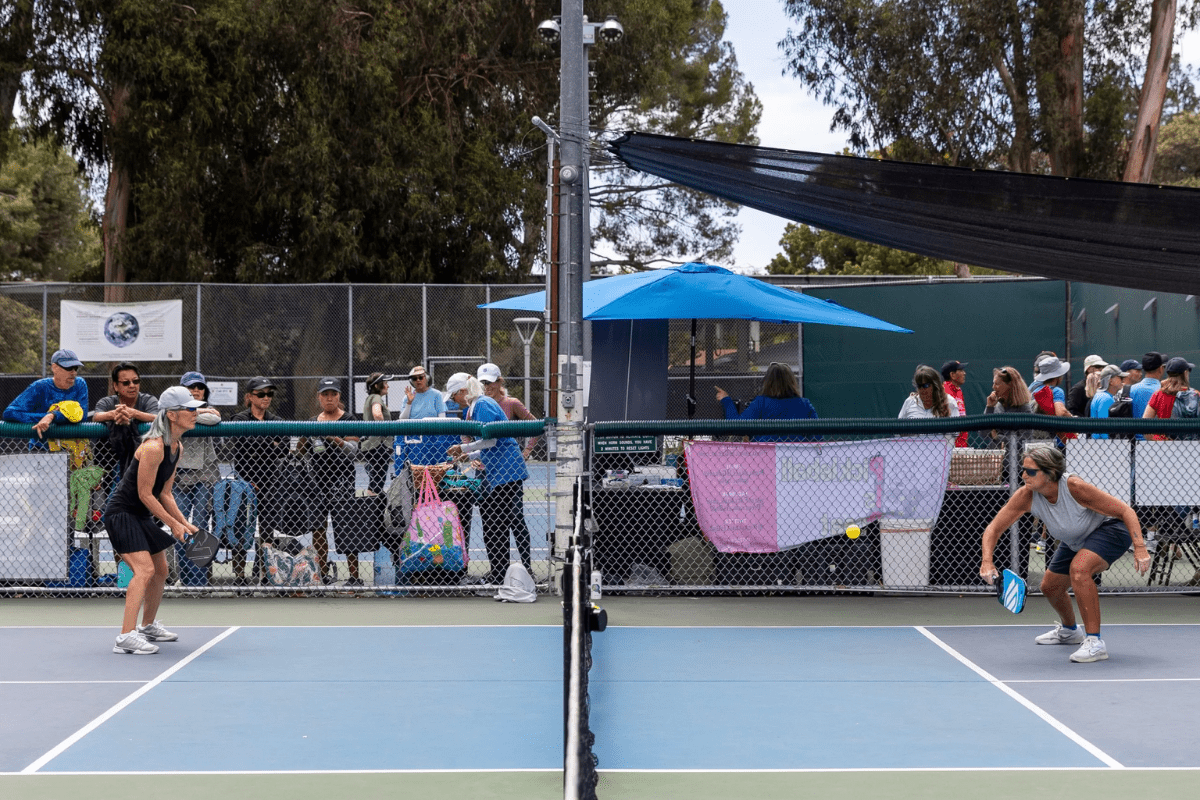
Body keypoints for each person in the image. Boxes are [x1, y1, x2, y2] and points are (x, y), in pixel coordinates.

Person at [979, 446, 1150, 663]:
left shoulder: (1075, 487)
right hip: (1075, 538)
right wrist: (987, 561)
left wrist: (1140, 547)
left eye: (1030, 471)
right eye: (1023, 470)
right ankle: (1070, 631)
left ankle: (1095, 643)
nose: (1023, 475)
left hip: (1110, 530)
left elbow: (1126, 510)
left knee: (1080, 569)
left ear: (1050, 472)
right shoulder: (1025, 496)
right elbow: (993, 528)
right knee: (1050, 587)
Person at [106, 386, 205, 654]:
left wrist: (185, 523)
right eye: (190, 409)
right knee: (145, 570)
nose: (195, 413)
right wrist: (173, 525)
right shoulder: (152, 448)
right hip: (121, 515)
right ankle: (126, 636)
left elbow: (165, 493)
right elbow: (145, 494)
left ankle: (147, 626)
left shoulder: (177, 446)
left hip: (139, 515)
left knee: (160, 569)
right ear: (172, 415)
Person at [446, 373, 532, 584]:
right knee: (494, 522)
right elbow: (487, 446)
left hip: (507, 473)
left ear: (462, 392)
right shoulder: (476, 407)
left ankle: (500, 572)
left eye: (453, 396)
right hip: (500, 473)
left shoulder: (482, 405)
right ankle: (499, 570)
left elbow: (490, 440)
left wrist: (463, 448)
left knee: (495, 522)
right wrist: (466, 453)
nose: (452, 401)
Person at [299, 378, 361, 584]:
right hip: (317, 484)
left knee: (347, 527)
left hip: (342, 482)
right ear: (319, 397)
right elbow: (301, 452)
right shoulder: (311, 422)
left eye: (333, 394)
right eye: (325, 394)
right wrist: (302, 439)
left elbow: (353, 452)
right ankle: (322, 573)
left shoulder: (349, 420)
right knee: (318, 528)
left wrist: (334, 438)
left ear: (339, 396)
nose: (329, 398)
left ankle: (354, 577)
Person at [229, 377, 286, 583]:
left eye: (269, 394)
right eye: (261, 394)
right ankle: (239, 575)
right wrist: (270, 443)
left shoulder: (277, 421)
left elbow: (284, 448)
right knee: (242, 529)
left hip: (270, 483)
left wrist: (257, 443)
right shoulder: (239, 420)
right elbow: (242, 448)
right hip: (245, 483)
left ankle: (264, 573)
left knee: (267, 531)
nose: (266, 398)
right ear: (250, 397)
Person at [170, 373, 222, 581]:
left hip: (204, 475)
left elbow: (215, 418)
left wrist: (191, 413)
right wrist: (189, 412)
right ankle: (186, 578)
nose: (196, 390)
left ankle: (199, 581)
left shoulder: (203, 410)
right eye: (191, 387)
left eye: (200, 387)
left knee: (200, 526)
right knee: (180, 526)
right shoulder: (173, 411)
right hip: (178, 474)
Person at [3, 349, 90, 448]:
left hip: (73, 450)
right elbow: (10, 413)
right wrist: (44, 417)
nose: (73, 373)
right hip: (42, 449)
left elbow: (81, 415)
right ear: (54, 368)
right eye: (69, 368)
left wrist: (52, 416)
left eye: (76, 368)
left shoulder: (80, 384)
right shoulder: (40, 387)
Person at [714, 362, 818, 441]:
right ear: (791, 382)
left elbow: (736, 427)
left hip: (765, 460)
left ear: (767, 382)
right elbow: (817, 437)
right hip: (795, 461)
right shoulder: (804, 404)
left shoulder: (761, 402)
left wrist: (726, 400)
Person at [91, 362, 160, 479]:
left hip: (144, 460)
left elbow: (157, 417)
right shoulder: (106, 402)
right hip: (111, 460)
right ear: (116, 386)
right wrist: (114, 414)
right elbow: (96, 416)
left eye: (135, 381)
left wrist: (134, 413)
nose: (132, 385)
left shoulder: (149, 400)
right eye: (126, 383)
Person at [478, 363, 541, 459]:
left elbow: (537, 426)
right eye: (484, 383)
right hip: (484, 461)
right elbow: (465, 433)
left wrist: (527, 451)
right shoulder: (477, 405)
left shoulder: (512, 403)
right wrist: (472, 456)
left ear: (500, 382)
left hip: (508, 461)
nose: (487, 386)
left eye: (490, 382)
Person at [395, 364, 449, 467]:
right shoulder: (407, 398)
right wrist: (409, 403)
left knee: (434, 469)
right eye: (415, 378)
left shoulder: (436, 395)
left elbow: (442, 417)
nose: (418, 380)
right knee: (416, 469)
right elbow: (402, 419)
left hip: (433, 438)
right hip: (414, 440)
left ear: (426, 378)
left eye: (421, 377)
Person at [360, 372, 394, 495]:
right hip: (378, 445)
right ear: (376, 386)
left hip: (372, 445)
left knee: (375, 481)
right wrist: (385, 431)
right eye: (385, 383)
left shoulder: (369, 398)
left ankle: (372, 501)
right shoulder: (376, 398)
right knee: (377, 482)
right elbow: (377, 414)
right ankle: (375, 506)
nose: (387, 386)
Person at [1143, 356, 1194, 426]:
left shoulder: (1158, 395)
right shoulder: (1194, 395)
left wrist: (1153, 437)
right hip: (1188, 436)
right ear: (1185, 373)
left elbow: (1145, 422)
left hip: (1162, 436)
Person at [1088, 363, 1128, 439]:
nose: (1123, 380)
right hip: (1104, 446)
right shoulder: (1106, 398)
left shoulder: (1101, 395)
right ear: (1111, 381)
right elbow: (1105, 429)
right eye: (1120, 378)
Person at [1129, 351, 1166, 423]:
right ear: (1161, 369)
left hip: (1132, 434)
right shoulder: (1164, 392)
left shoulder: (1129, 390)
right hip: (1157, 434)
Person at [941, 360, 968, 447]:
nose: (964, 373)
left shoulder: (959, 390)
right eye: (961, 370)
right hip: (949, 444)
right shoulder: (943, 391)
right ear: (952, 375)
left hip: (962, 443)